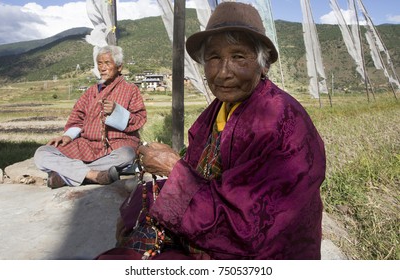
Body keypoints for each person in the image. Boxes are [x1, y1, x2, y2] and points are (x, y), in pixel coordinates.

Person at [98, 2, 326, 260]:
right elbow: (201, 172)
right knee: (140, 200)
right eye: (214, 58)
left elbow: (249, 228)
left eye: (239, 56)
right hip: (209, 217)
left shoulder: (280, 121)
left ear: (263, 65)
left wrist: (174, 170)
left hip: (257, 254)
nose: (223, 72)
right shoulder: (219, 109)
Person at [34, 45, 147, 189]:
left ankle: (65, 176)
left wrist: (117, 111)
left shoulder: (131, 90)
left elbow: (140, 118)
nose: (102, 68)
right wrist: (68, 136)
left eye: (107, 63)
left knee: (127, 155)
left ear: (119, 67)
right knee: (42, 153)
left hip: (117, 144)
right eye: (100, 63)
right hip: (86, 144)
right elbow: (77, 118)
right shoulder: (91, 92)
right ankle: (92, 175)